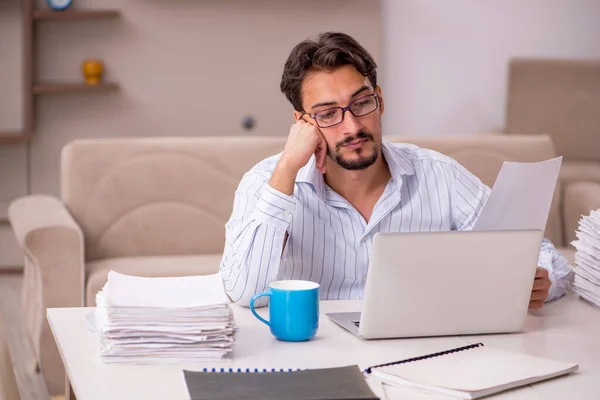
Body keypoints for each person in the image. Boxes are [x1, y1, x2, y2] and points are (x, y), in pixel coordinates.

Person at [219, 32, 573, 310]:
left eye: (361, 103)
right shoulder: (266, 181)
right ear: (302, 123)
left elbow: (534, 250)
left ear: (380, 101)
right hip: (311, 356)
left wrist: (543, 281)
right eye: (328, 114)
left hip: (423, 356)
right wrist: (287, 168)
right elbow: (244, 292)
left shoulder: (439, 176)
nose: (352, 127)